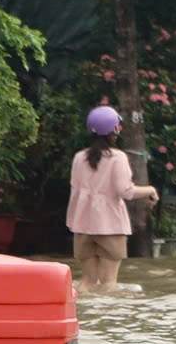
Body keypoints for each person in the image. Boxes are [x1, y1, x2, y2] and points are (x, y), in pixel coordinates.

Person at [67, 106, 158, 293]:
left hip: (82, 225)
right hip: (111, 226)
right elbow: (126, 191)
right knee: (109, 283)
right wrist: (150, 190)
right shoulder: (118, 157)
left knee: (87, 283)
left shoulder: (78, 157)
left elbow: (75, 189)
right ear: (115, 130)